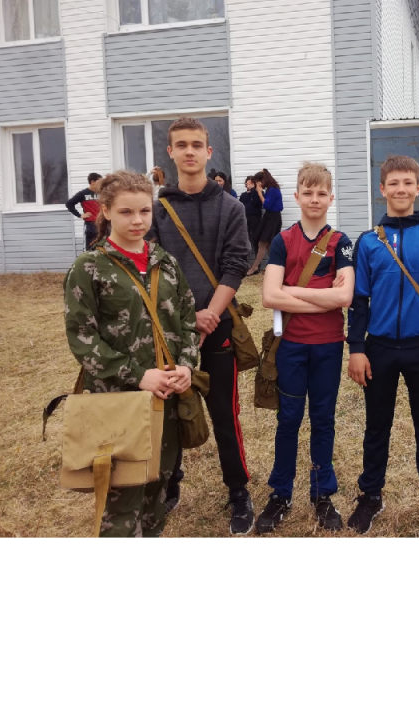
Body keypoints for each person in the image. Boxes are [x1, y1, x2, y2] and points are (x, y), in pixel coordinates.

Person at [63, 170, 199, 537]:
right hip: (119, 401)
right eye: (126, 212)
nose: (137, 220)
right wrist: (138, 375)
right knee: (122, 499)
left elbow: (188, 319)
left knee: (158, 489)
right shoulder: (89, 268)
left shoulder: (165, 262)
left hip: (166, 400)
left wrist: (186, 366)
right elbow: (82, 338)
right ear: (105, 211)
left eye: (144, 211)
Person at [145, 116, 255, 535]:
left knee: (225, 413)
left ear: (209, 152)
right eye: (181, 145)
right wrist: (189, 318)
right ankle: (169, 483)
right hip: (171, 330)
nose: (189, 151)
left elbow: (236, 264)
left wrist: (209, 315)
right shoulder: (157, 211)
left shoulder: (232, 207)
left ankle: (238, 490)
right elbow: (152, 270)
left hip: (218, 326)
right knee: (170, 410)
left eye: (196, 145)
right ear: (170, 153)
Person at [346, 155, 419, 537]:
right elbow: (359, 300)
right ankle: (371, 495)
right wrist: (356, 348)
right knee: (377, 426)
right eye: (393, 183)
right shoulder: (369, 242)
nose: (401, 189)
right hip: (379, 349)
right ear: (382, 189)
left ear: (418, 188)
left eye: (408, 182)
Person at [256, 162, 355, 534]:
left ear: (332, 198)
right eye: (308, 192)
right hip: (292, 346)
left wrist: (292, 292)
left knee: (323, 420)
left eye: (321, 193)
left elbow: (344, 297)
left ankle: (322, 493)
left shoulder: (341, 242)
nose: (315, 199)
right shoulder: (283, 241)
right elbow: (269, 296)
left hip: (328, 346)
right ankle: (280, 493)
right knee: (289, 420)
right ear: (297, 196)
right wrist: (321, 298)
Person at [248, 169, 283, 275]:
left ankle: (254, 267)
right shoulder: (270, 189)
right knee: (269, 244)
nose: (258, 184)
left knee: (262, 243)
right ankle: (274, 266)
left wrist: (259, 193)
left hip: (273, 217)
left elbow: (267, 205)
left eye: (258, 182)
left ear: (263, 180)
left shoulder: (273, 189)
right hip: (268, 216)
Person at [66, 172, 103, 249]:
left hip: (103, 224)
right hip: (91, 225)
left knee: (105, 247)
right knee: (90, 248)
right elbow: (69, 204)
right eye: (99, 182)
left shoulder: (103, 193)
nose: (101, 184)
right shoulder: (83, 194)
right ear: (92, 182)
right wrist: (80, 215)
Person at [239, 175, 262, 256]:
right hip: (246, 217)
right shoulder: (243, 195)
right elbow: (240, 206)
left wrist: (253, 190)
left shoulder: (258, 193)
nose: (249, 185)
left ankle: (257, 260)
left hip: (255, 217)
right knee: (245, 238)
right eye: (247, 183)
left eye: (251, 183)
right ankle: (245, 258)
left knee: (256, 237)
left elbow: (257, 203)